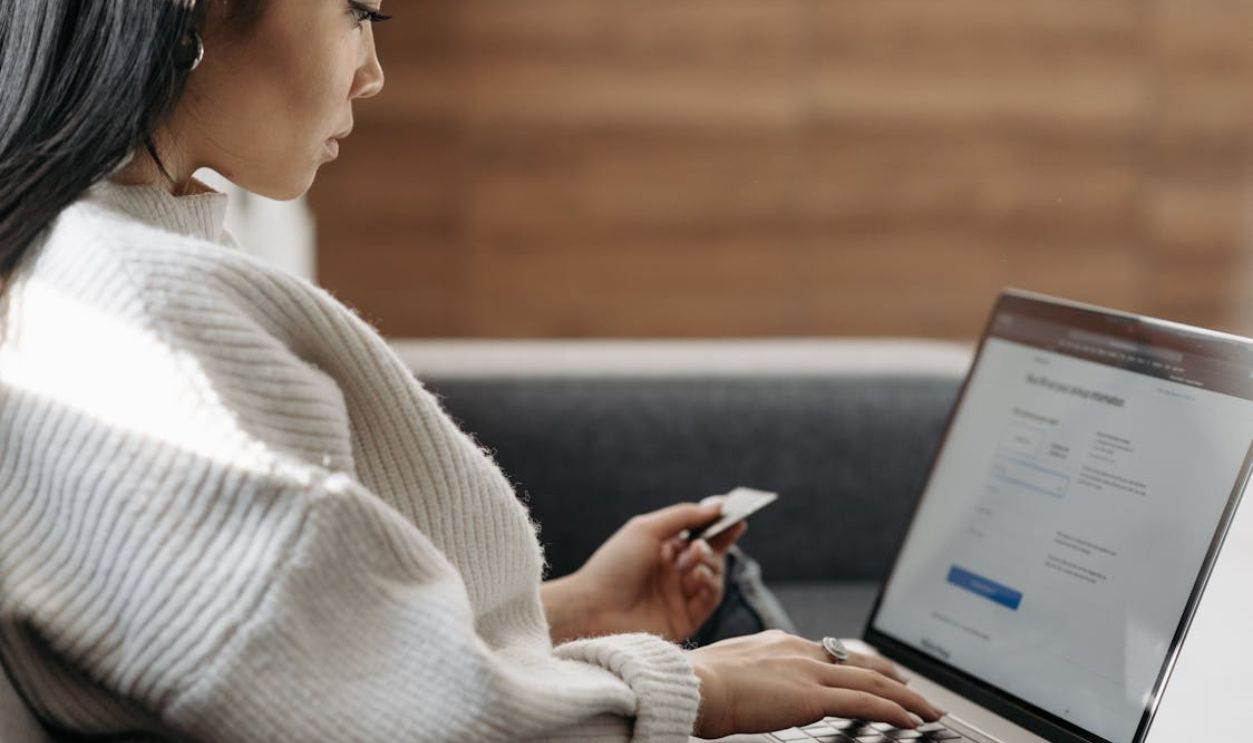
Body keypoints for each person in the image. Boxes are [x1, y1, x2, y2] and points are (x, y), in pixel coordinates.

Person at [0, 1, 941, 740]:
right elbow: (382, 720)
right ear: (195, 9)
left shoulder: (101, 261)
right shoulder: (137, 312)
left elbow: (309, 655)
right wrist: (694, 687)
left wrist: (575, 610)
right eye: (357, 12)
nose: (372, 72)